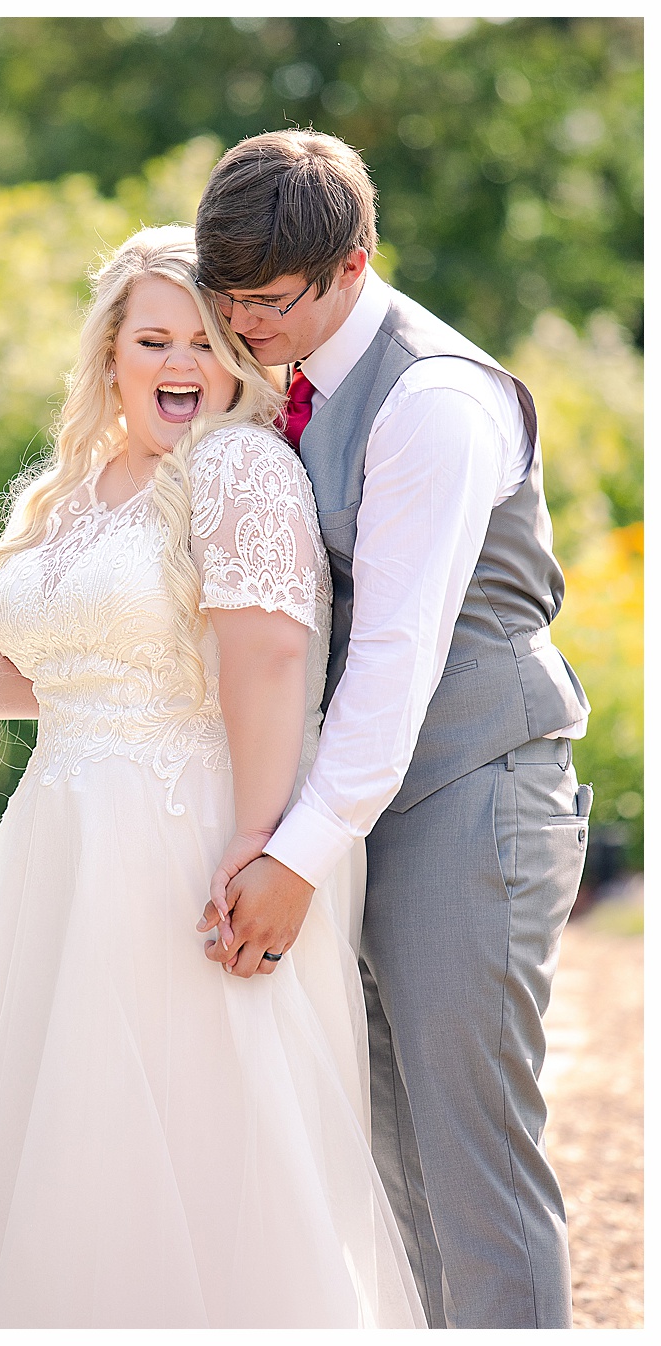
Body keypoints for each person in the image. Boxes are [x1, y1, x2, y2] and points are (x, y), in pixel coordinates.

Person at [0, 225, 425, 1328]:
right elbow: (71, 674)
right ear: (111, 354)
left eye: (208, 340)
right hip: (61, 835)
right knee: (55, 1120)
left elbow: (266, 663)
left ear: (238, 355)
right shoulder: (73, 485)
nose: (182, 363)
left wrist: (262, 845)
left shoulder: (239, 467)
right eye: (154, 338)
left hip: (186, 832)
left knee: (179, 1119)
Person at [192, 130, 589, 1329]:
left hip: (476, 786)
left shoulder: (435, 400)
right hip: (369, 800)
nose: (243, 325)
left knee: (474, 1161)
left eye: (267, 302)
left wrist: (295, 860)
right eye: (229, 299)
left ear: (353, 263)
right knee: (390, 1147)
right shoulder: (288, 371)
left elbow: (397, 658)